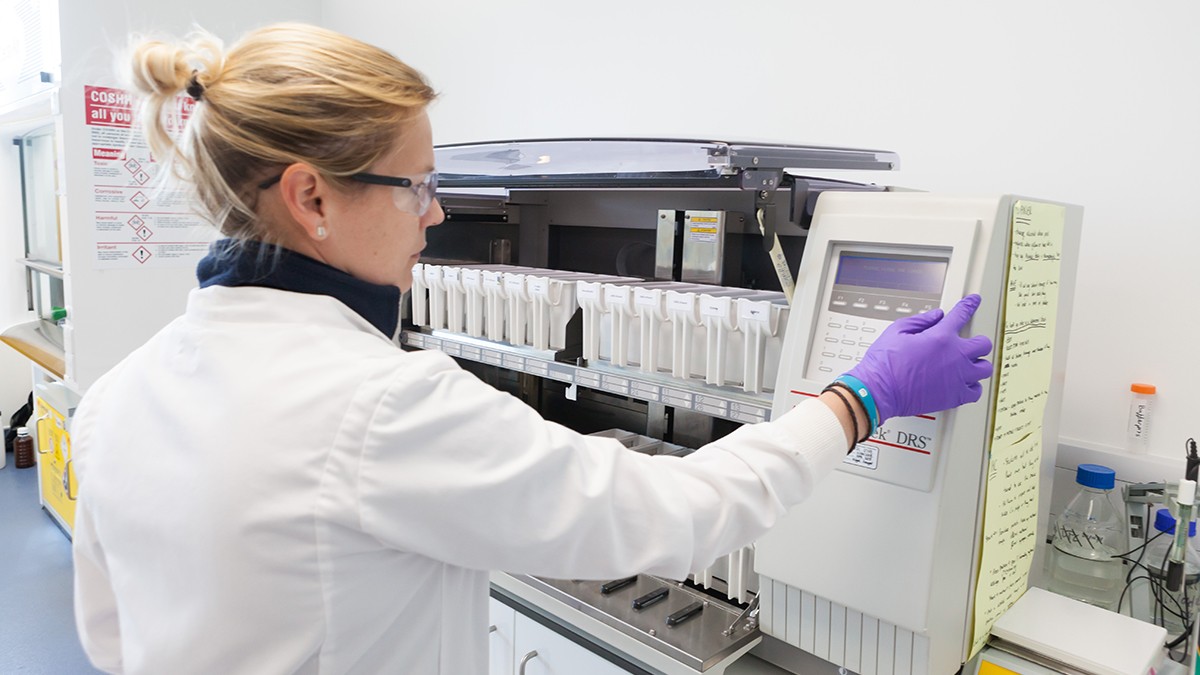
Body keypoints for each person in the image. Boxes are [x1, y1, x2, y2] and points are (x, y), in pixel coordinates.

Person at [70, 23, 994, 675]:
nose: (436, 214)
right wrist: (861, 396)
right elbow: (676, 511)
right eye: (418, 185)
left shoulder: (114, 399)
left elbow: (112, 644)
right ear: (312, 198)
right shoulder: (379, 408)